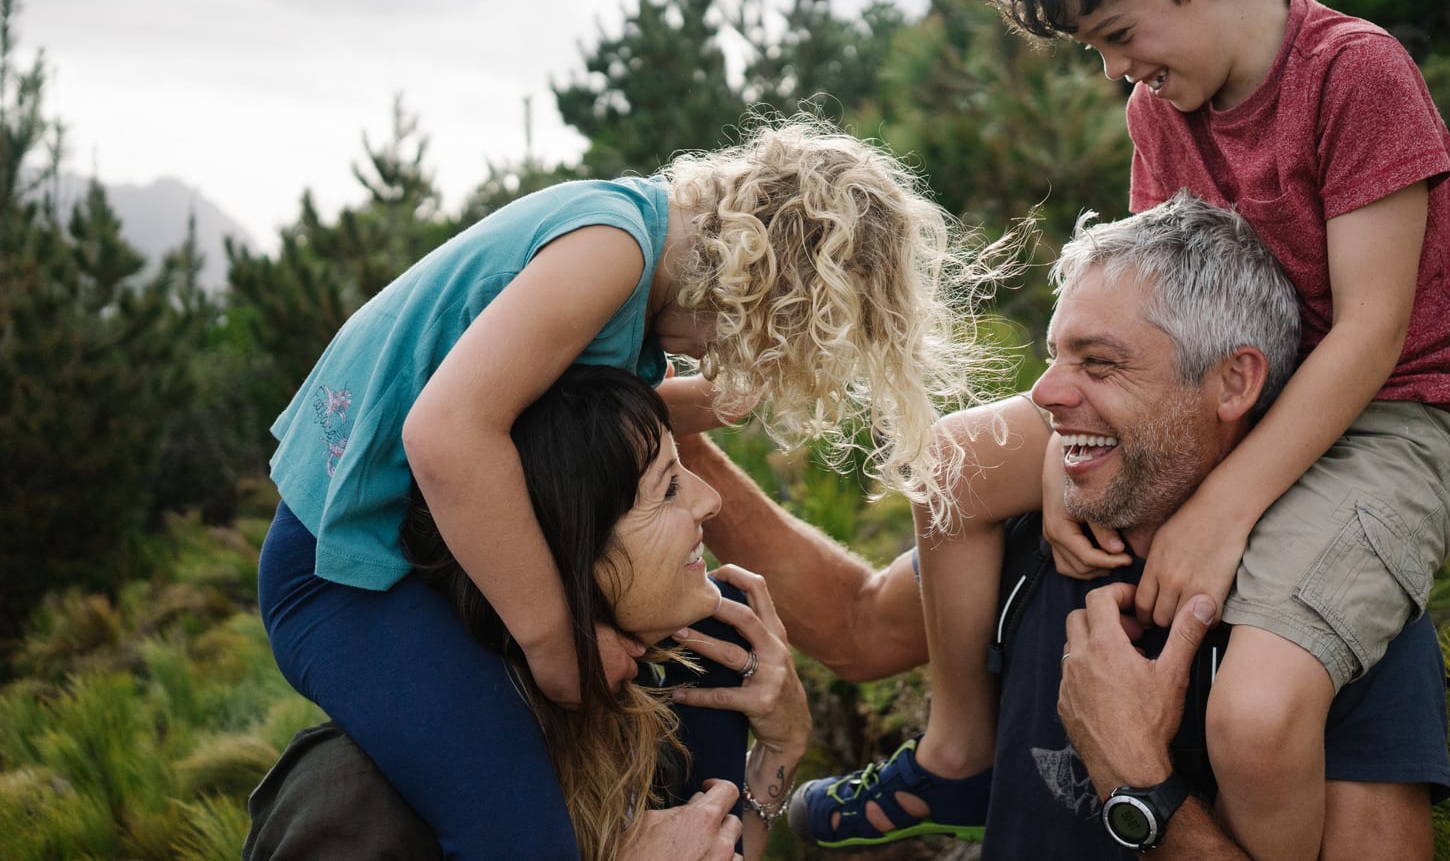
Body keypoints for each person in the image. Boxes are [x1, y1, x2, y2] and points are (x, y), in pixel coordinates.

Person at [808, 0, 1450, 860]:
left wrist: (1221, 509)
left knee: (1254, 716)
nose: (1112, 73)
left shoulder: (1352, 75)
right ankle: (958, 752)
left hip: (1398, 419)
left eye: (1118, 35)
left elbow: (1371, 332)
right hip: (1225, 385)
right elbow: (1146, 309)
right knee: (949, 466)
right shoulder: (1157, 111)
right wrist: (1065, 456)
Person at [256, 117, 1004, 860]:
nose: (723, 350)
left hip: (440, 554)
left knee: (719, 630)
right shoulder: (609, 250)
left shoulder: (637, 296)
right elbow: (447, 434)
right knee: (521, 836)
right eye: (763, 334)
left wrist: (707, 401)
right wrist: (565, 646)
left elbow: (552, 422)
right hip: (344, 572)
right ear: (758, 285)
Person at [693, 196, 1450, 858]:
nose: (1048, 394)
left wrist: (1135, 777)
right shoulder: (1030, 535)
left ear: (1233, 380)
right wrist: (675, 448)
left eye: (1099, 364)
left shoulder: (1337, 620)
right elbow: (856, 627)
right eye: (1054, 355)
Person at [251, 365, 809, 860]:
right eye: (666, 489)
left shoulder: (635, 712)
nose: (709, 499)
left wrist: (775, 756)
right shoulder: (356, 797)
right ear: (568, 554)